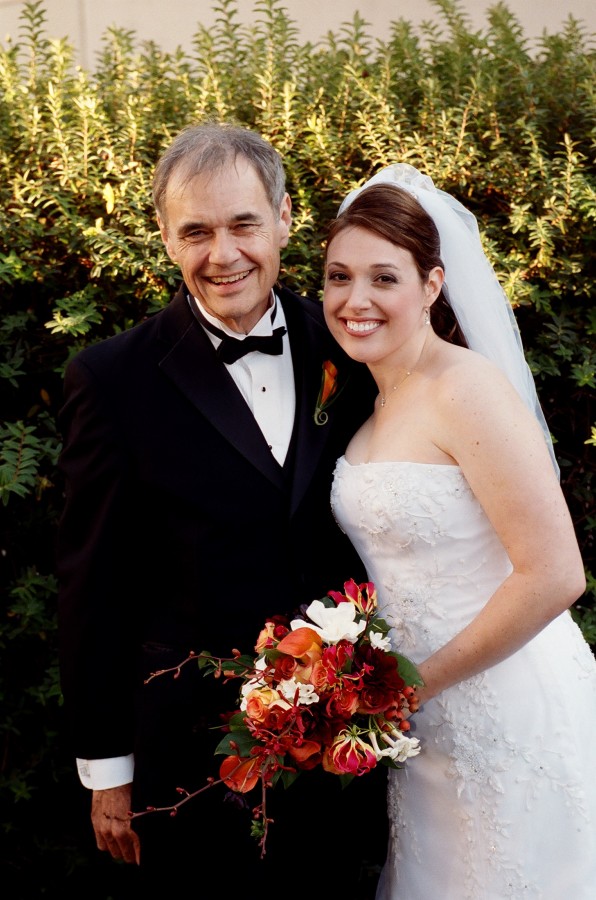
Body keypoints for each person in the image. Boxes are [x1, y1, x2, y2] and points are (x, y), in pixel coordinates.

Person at [55, 121, 385, 898]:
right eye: (196, 232)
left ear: (284, 219)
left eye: (243, 224)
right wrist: (108, 770)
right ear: (165, 236)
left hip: (344, 749)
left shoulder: (352, 345)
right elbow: (93, 587)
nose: (224, 253)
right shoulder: (110, 379)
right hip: (189, 759)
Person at [322, 164, 596, 899]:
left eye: (384, 278)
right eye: (339, 277)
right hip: (422, 727)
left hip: (504, 708)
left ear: (432, 285)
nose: (355, 299)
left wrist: (413, 687)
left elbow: (555, 574)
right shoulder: (371, 405)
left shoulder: (466, 389)